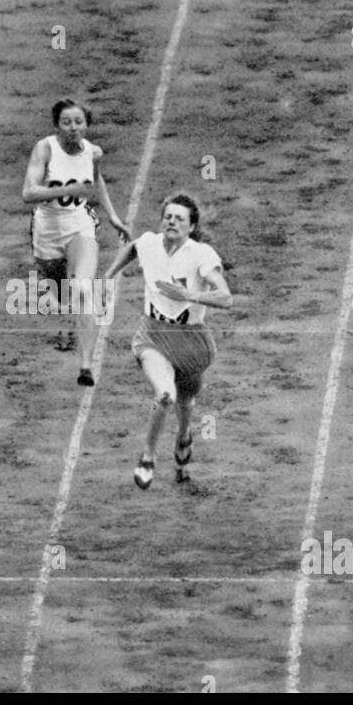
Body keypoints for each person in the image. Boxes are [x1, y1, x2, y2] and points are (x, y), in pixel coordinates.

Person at [104, 194, 231, 489]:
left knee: (186, 400)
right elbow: (133, 249)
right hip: (153, 334)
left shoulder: (201, 254)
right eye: (168, 217)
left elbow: (226, 297)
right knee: (165, 394)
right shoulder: (149, 242)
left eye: (180, 218)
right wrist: (109, 275)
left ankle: (184, 434)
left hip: (191, 340)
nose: (172, 221)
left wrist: (189, 295)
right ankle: (148, 456)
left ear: (191, 226)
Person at [22, 98, 130, 386]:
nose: (73, 128)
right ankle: (73, 320)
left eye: (79, 122)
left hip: (80, 226)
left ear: (87, 124)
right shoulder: (45, 149)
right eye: (67, 122)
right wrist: (70, 188)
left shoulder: (93, 152)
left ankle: (85, 365)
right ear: (57, 125)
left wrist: (113, 217)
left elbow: (96, 182)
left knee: (83, 288)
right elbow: (29, 193)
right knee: (62, 297)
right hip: (46, 231)